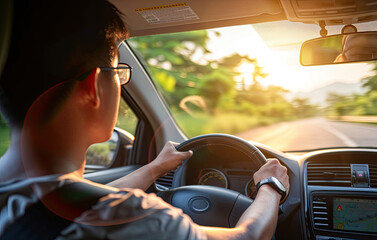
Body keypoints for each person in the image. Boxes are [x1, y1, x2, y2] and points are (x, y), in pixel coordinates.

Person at [0, 0, 289, 239]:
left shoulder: (21, 199)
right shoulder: (138, 219)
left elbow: (73, 202)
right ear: (94, 87)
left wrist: (155, 168)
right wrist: (270, 186)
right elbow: (248, 236)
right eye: (117, 72)